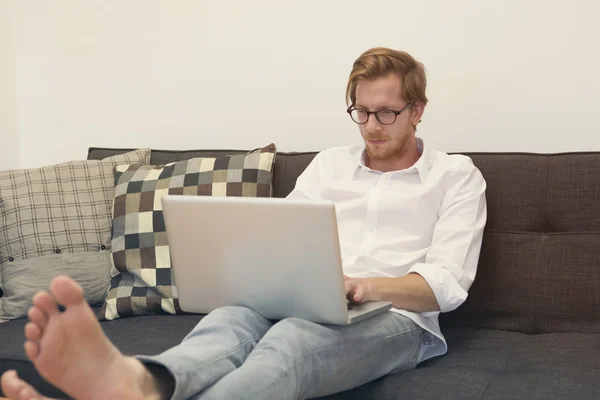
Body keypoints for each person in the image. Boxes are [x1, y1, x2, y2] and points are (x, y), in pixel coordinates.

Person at [1, 47, 487, 400]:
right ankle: (140, 383)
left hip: (395, 320)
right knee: (227, 324)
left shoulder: (455, 177)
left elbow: (446, 284)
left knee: (290, 344)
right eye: (361, 112)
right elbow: (283, 234)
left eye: (387, 113)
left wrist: (364, 286)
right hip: (305, 298)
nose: (371, 126)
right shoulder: (329, 166)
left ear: (418, 111)